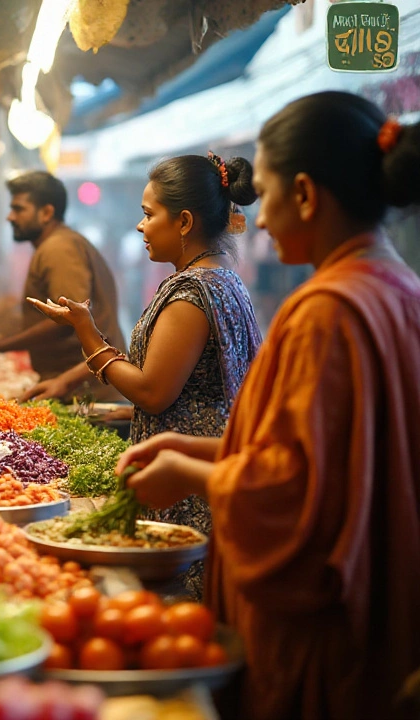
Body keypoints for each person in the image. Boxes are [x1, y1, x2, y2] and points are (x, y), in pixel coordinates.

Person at [118, 92, 420, 720]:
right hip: (384, 593)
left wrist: (191, 474)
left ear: (305, 194)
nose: (252, 220)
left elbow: (299, 491)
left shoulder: (328, 310)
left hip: (319, 629)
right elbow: (331, 457)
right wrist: (196, 448)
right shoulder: (397, 287)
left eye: (270, 192)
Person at [23, 153, 264, 598]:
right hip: (206, 461)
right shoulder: (224, 280)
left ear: (185, 221)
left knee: (183, 606)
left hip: (186, 485)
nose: (140, 226)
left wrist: (86, 332)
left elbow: (153, 392)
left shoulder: (192, 292)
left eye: (149, 215)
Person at [0, 171, 125, 402]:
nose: (10, 217)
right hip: (76, 387)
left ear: (46, 212)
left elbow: (68, 318)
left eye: (18, 209)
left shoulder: (58, 248)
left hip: (86, 392)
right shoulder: (58, 244)